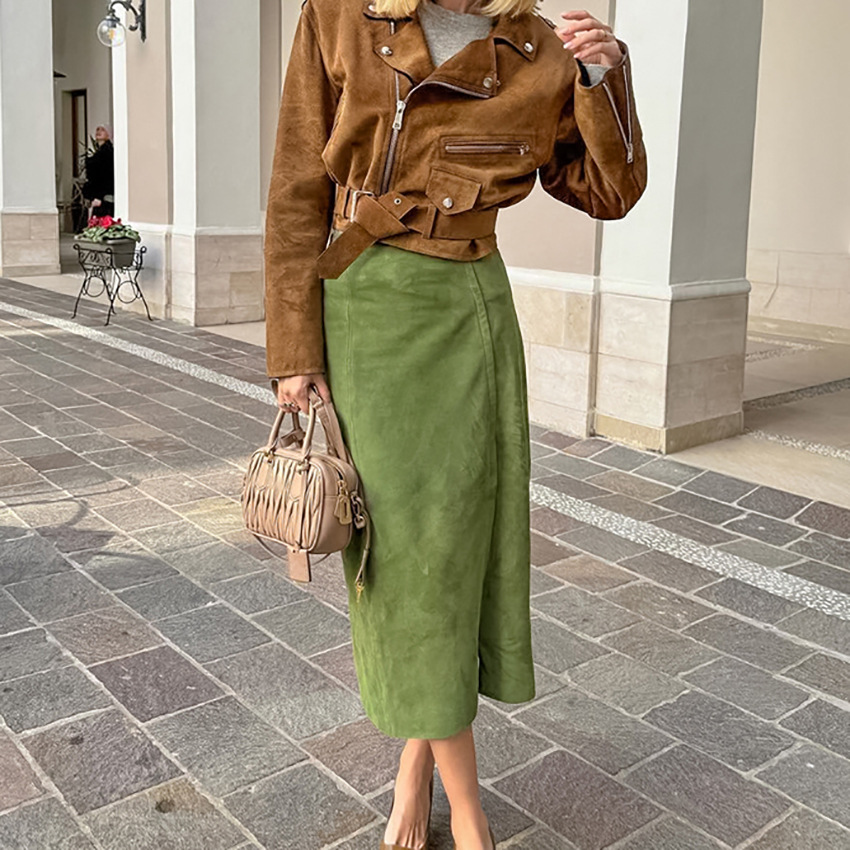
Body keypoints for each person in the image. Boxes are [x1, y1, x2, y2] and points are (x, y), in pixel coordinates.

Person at [264, 1, 647, 848]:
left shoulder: (539, 44)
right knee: (404, 556)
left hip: (472, 304)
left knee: (458, 543)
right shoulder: (337, 13)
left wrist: (601, 79)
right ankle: (465, 809)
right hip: (367, 303)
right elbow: (296, 184)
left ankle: (420, 768)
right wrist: (294, 348)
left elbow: (609, 191)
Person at [82, 124, 115, 218]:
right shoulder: (100, 152)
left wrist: (98, 196)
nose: (99, 132)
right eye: (98, 129)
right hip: (99, 194)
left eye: (103, 130)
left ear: (108, 134)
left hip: (102, 196)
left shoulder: (107, 152)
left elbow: (104, 175)